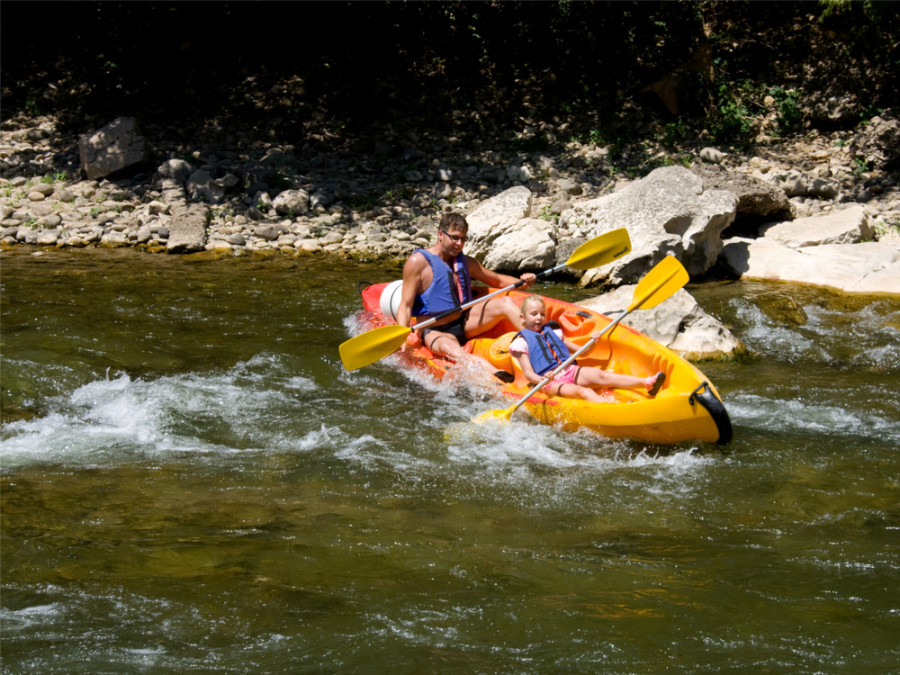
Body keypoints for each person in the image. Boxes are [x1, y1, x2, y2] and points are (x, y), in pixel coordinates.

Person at [396, 213, 536, 382]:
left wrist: (523, 282)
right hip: (435, 329)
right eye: (454, 238)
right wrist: (400, 338)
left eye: (463, 239)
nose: (459, 244)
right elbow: (405, 305)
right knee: (454, 351)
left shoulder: (466, 262)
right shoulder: (417, 262)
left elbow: (497, 280)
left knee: (505, 302)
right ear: (440, 234)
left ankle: (540, 346)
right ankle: (499, 378)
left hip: (465, 321)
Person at [509, 294, 666, 402]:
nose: (539, 318)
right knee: (583, 392)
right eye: (534, 314)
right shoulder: (521, 342)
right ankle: (611, 409)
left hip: (570, 370)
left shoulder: (555, 333)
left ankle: (647, 383)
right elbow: (529, 374)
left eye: (542, 314)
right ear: (523, 317)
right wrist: (543, 379)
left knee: (602, 376)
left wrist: (592, 342)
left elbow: (581, 351)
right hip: (549, 382)